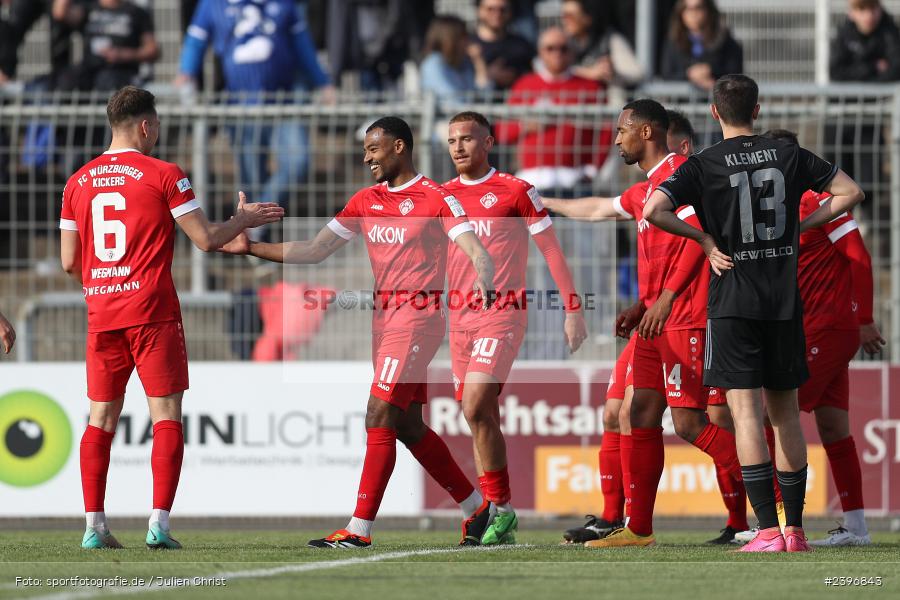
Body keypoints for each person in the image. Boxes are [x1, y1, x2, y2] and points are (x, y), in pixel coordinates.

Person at [222, 116, 497, 549]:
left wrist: (484, 273)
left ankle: (359, 529)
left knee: (378, 414)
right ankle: (477, 509)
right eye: (366, 149)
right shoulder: (365, 200)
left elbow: (473, 245)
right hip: (384, 322)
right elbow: (314, 250)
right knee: (406, 424)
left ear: (400, 147)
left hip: (416, 321)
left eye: (374, 148)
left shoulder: (435, 197)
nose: (367, 156)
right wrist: (250, 246)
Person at [644, 74, 865, 552]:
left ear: (713, 112)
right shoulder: (788, 155)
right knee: (785, 415)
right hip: (784, 302)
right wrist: (799, 226)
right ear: (758, 111)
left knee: (745, 415)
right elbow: (851, 193)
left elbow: (654, 208)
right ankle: (797, 531)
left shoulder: (703, 164)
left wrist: (705, 241)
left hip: (733, 302)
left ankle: (766, 529)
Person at [59, 86, 284, 550]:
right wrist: (241, 220)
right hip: (152, 312)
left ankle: (93, 526)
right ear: (145, 126)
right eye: (157, 125)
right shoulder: (164, 174)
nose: (158, 133)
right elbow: (205, 239)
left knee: (100, 418)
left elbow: (67, 261)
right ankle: (158, 523)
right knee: (166, 416)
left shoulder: (76, 181)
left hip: (102, 314)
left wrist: (107, 277)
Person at [545, 100, 743, 548]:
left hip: (686, 318)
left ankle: (771, 496)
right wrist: (546, 201)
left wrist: (666, 299)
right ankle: (639, 528)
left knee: (692, 422)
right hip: (655, 320)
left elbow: (699, 242)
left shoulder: (680, 176)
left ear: (647, 132)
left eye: (622, 131)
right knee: (639, 413)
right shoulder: (644, 189)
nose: (616, 139)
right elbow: (599, 208)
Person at [442, 111, 588, 544]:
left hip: (502, 314)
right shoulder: (443, 196)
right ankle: (497, 510)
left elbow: (552, 251)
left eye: (467, 139)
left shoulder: (516, 191)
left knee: (474, 406)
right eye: (452, 141)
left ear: (488, 143)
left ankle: (500, 509)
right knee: (480, 416)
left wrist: (573, 309)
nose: (459, 148)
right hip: (459, 320)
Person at [736, 129, 884, 548]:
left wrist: (866, 320)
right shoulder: (779, 205)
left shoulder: (816, 202)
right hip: (819, 327)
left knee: (769, 415)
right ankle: (856, 527)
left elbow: (860, 258)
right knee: (834, 426)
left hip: (825, 326)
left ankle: (778, 520)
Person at [177, 0, 335, 239]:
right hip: (240, 106)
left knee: (298, 162)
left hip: (284, 102)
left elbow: (303, 46)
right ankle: (255, 246)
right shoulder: (212, 5)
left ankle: (254, 227)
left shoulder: (284, 5)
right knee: (251, 177)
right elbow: (196, 41)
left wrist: (323, 82)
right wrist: (186, 73)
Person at [52, 0, 160, 91]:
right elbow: (60, 12)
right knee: (67, 80)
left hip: (121, 72)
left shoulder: (137, 13)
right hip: (89, 70)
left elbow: (153, 50)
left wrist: (123, 55)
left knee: (108, 82)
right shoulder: (88, 9)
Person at [659, 0, 743, 91]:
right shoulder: (674, 42)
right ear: (681, 12)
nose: (693, 13)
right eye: (688, 8)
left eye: (698, 7)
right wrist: (689, 74)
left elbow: (734, 73)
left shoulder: (725, 41)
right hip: (681, 103)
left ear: (708, 10)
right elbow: (666, 74)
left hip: (718, 101)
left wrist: (710, 71)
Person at [560, 0, 644, 90]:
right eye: (563, 16)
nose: (565, 21)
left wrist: (613, 73)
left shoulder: (609, 40)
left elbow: (636, 74)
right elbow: (549, 70)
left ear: (587, 18)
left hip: (603, 101)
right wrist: (589, 72)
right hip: (568, 100)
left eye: (570, 17)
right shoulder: (561, 42)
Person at [420, 15, 492, 105]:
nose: (468, 40)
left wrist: (479, 63)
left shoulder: (464, 63)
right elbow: (453, 102)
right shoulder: (433, 64)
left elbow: (486, 97)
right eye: (463, 35)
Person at [472, 0, 535, 92]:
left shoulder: (522, 45)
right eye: (490, 9)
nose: (497, 14)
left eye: (502, 9)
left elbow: (531, 77)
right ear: (479, 11)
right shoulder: (467, 45)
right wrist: (488, 74)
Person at [830, 0, 900, 82]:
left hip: (883, 94)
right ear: (851, 13)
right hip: (850, 94)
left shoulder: (890, 33)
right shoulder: (845, 35)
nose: (869, 15)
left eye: (872, 8)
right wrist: (873, 67)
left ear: (880, 9)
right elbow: (836, 72)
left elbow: (896, 68)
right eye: (862, 9)